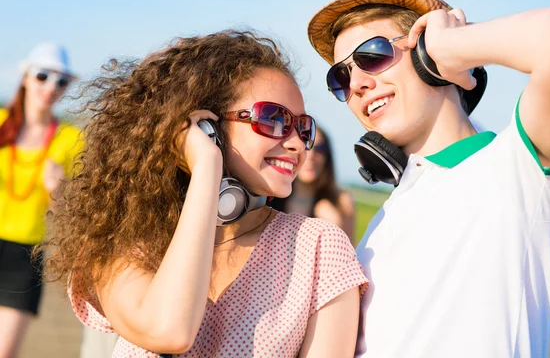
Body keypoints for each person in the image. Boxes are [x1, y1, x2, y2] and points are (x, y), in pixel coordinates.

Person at [307, 0, 550, 357]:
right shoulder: (385, 220)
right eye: (341, 76)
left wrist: (454, 45)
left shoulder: (519, 170)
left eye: (372, 55)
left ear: (427, 55)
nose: (357, 82)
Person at [42, 30, 368, 357]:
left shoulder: (320, 247)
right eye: (273, 119)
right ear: (208, 127)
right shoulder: (124, 238)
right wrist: (207, 166)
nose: (298, 143)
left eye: (303, 127)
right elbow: (167, 330)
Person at [0, 42, 83, 357]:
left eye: (61, 81)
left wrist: (57, 190)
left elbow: (67, 215)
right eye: (43, 76)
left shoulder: (72, 140)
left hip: (25, 256)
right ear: (25, 76)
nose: (51, 87)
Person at [269, 125, 356, 243]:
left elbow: (351, 255)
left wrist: (336, 227)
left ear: (327, 157)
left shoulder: (342, 201)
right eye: (305, 147)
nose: (311, 157)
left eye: (319, 149)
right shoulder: (269, 197)